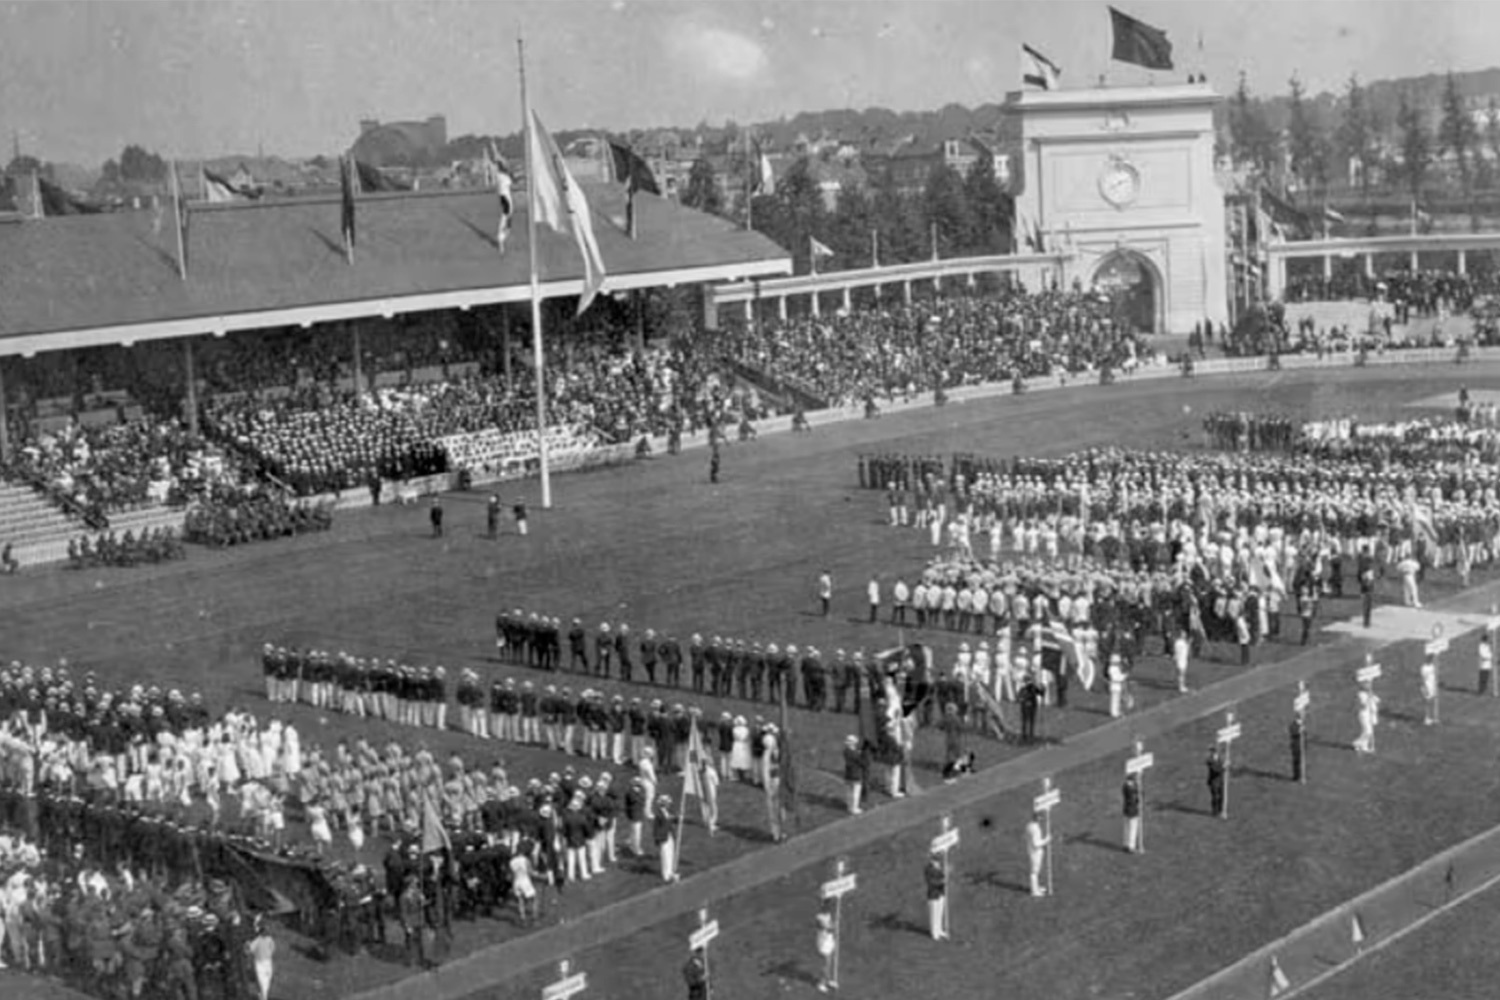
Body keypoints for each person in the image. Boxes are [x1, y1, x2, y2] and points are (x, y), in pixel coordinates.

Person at [247, 915, 276, 1000]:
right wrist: (248, 946)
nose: (266, 933)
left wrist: (269, 955)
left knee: (267, 981)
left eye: (267, 931)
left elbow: (272, 948)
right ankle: (264, 997)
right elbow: (250, 950)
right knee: (263, 983)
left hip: (268, 962)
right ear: (261, 932)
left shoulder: (269, 939)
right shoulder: (257, 940)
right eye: (264, 931)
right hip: (259, 963)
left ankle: (261, 995)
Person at [654, 795, 679, 883]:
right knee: (665, 855)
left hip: (670, 835)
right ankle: (666, 875)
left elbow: (674, 820)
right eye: (667, 803)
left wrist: (678, 818)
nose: (669, 804)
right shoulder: (659, 814)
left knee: (671, 853)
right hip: (663, 837)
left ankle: (671, 872)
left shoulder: (668, 812)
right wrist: (657, 839)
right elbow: (656, 828)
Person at [924, 848, 948, 941]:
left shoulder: (939, 868)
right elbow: (931, 882)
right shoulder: (928, 869)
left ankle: (940, 930)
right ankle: (934, 933)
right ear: (931, 860)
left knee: (940, 912)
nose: (937, 862)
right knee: (934, 914)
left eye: (937, 860)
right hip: (933, 894)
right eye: (935, 860)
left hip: (940, 893)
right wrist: (942, 881)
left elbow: (942, 877)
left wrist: (946, 873)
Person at [1025, 810, 1048, 897]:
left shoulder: (1029, 825)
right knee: (1034, 871)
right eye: (1040, 817)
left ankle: (1037, 887)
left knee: (1036, 871)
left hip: (1033, 850)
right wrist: (1046, 840)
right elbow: (1036, 843)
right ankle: (1034, 891)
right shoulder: (1034, 828)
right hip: (1035, 852)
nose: (1041, 819)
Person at [842, 735, 867, 815]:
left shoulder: (846, 751)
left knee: (849, 791)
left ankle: (849, 806)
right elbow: (862, 762)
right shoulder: (855, 753)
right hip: (855, 774)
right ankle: (854, 808)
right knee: (856, 792)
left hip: (848, 773)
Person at [815, 910, 837, 993]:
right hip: (824, 946)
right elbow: (828, 928)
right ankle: (821, 983)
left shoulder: (826, 915)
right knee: (825, 966)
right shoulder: (820, 919)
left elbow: (830, 926)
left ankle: (827, 980)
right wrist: (834, 924)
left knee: (829, 964)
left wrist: (833, 923)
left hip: (828, 944)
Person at [1122, 772, 1142, 853]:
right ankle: (1131, 846)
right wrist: (1138, 785)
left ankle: (1126, 844)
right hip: (1132, 810)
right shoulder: (1131, 788)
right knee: (1132, 828)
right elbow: (1135, 796)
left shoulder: (1125, 785)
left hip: (1126, 809)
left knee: (1127, 827)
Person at [1206, 745, 1226, 818]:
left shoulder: (1219, 759)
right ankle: (1215, 811)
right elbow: (1215, 770)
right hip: (1213, 782)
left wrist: (1226, 765)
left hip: (1220, 781)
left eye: (1216, 752)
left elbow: (1222, 766)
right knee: (1215, 796)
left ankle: (1221, 810)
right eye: (1213, 752)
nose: (1215, 753)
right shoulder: (1209, 761)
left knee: (1222, 796)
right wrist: (1223, 767)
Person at [1421, 653, 1438, 726]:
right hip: (1427, 686)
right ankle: (1426, 718)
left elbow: (1434, 675)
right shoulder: (1424, 668)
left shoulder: (1432, 666)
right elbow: (1423, 679)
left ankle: (1432, 716)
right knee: (1427, 702)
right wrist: (1425, 688)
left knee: (1432, 701)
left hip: (1432, 685)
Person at [1289, 712, 1306, 783]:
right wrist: (1299, 731)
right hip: (1296, 745)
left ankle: (1300, 775)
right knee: (1296, 761)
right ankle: (1296, 776)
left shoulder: (1302, 724)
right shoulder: (1294, 724)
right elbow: (1292, 731)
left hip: (1300, 745)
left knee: (1301, 761)